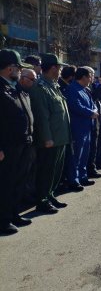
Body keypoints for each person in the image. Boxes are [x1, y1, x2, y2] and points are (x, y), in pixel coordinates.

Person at [29, 53, 71, 213]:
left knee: (56, 170)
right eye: (59, 67)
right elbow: (42, 116)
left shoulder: (53, 85)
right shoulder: (40, 87)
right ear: (53, 68)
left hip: (60, 136)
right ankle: (42, 200)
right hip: (50, 138)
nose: (60, 70)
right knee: (46, 170)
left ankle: (50, 194)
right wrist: (47, 138)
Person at [0, 49, 35, 234]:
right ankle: (3, 220)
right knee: (5, 183)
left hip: (23, 142)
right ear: (9, 68)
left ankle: (14, 213)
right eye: (18, 67)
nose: (20, 71)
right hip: (8, 146)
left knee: (18, 181)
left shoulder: (15, 87)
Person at [64, 67, 99, 189]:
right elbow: (75, 106)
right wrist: (91, 113)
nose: (91, 79)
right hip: (77, 126)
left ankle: (83, 176)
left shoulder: (85, 89)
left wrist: (94, 110)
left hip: (87, 126)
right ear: (83, 77)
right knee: (76, 155)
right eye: (90, 76)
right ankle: (74, 180)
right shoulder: (72, 89)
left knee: (85, 153)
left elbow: (93, 104)